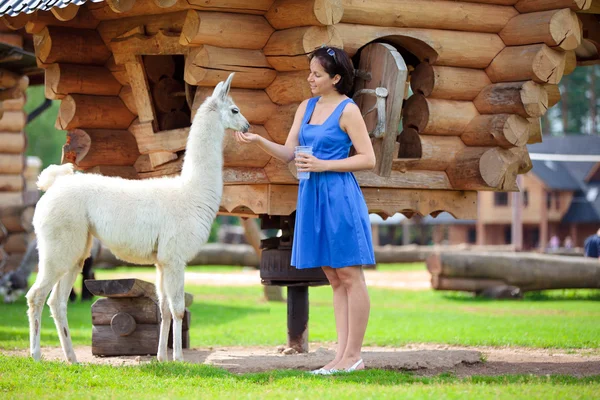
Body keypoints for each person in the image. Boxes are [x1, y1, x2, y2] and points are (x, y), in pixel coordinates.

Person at [234, 46, 376, 374]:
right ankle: (342, 357)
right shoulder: (306, 107)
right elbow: (288, 153)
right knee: (334, 277)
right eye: (310, 72)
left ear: (336, 78)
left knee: (351, 275)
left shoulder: (348, 110)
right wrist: (258, 141)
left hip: (340, 197)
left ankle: (354, 355)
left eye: (317, 74)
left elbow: (367, 158)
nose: (310, 78)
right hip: (311, 197)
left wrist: (324, 164)